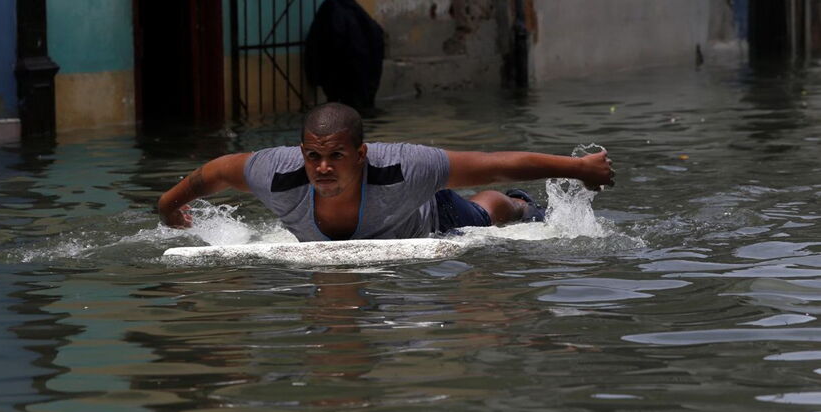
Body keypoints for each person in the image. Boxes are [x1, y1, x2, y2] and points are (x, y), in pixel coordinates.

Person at [158, 102, 615, 241]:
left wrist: (579, 168)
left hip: (427, 214)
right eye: (313, 156)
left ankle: (517, 208)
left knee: (483, 212)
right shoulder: (275, 172)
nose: (322, 168)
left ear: (361, 154)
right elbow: (210, 175)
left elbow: (493, 164)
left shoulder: (405, 166)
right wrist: (168, 207)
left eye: (336, 156)